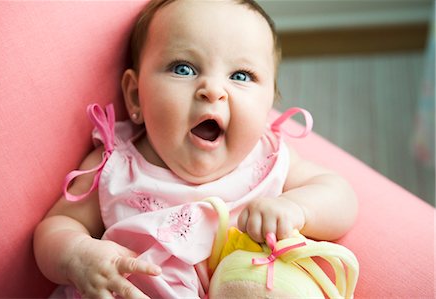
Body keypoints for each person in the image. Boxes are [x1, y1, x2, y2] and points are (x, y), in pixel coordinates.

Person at [34, 0, 358, 298]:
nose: (213, 90)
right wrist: (76, 255)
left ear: (266, 105)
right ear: (135, 96)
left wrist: (297, 208)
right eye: (183, 69)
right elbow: (55, 228)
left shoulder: (267, 158)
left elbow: (339, 193)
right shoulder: (116, 167)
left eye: (241, 75)